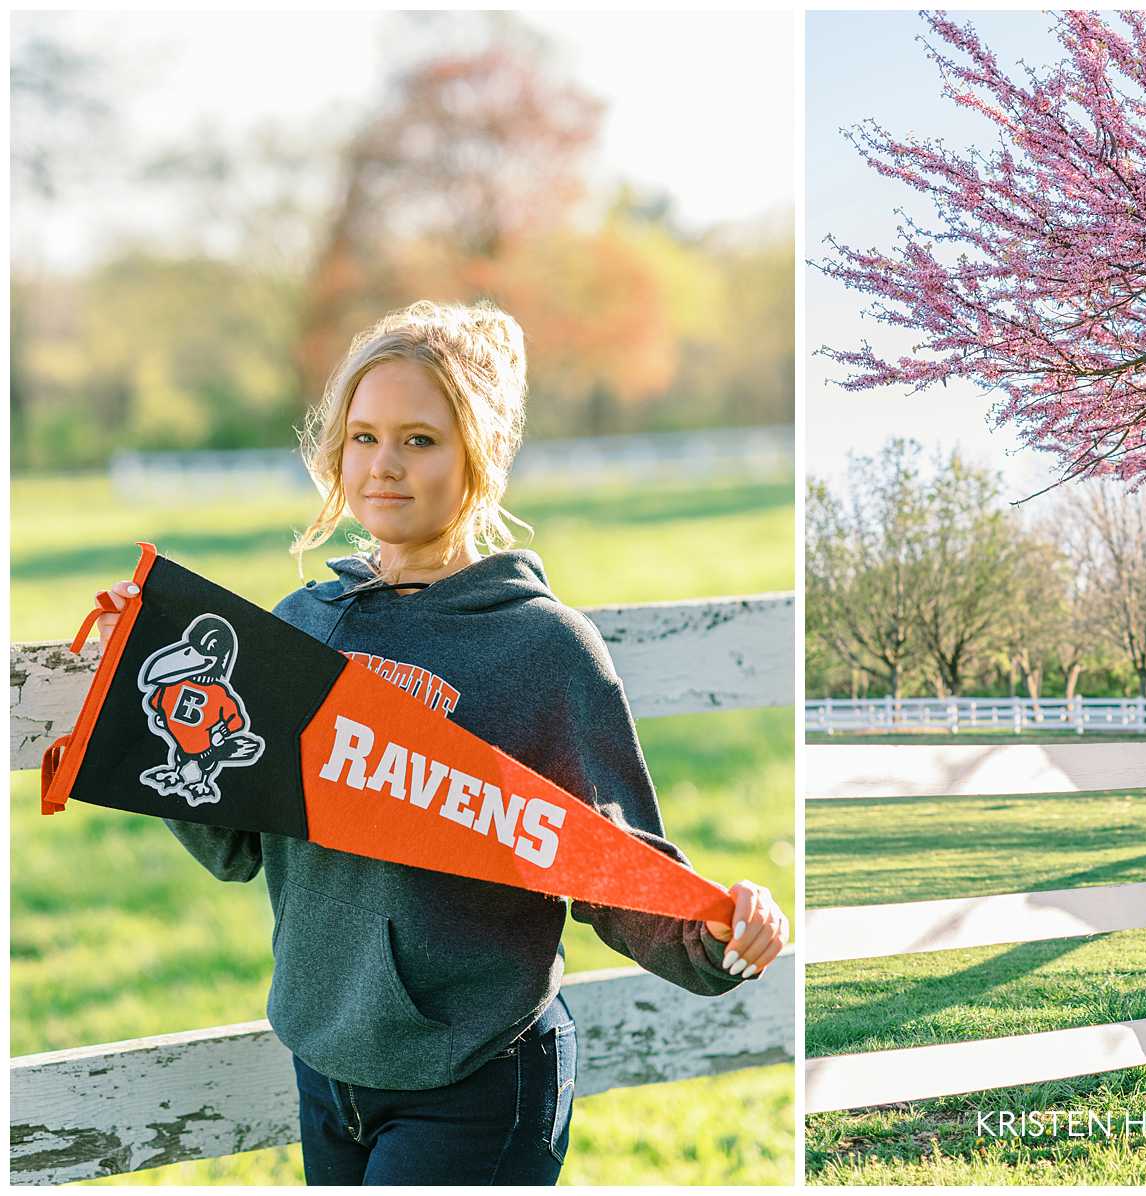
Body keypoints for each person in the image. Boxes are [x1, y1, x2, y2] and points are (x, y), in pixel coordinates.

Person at [91, 298, 789, 1185]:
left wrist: (719, 932)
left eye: (420, 440)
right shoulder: (302, 628)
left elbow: (612, 868)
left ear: (480, 455)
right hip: (327, 1059)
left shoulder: (540, 647)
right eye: (364, 437)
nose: (384, 466)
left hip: (478, 1076)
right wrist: (135, 697)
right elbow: (231, 841)